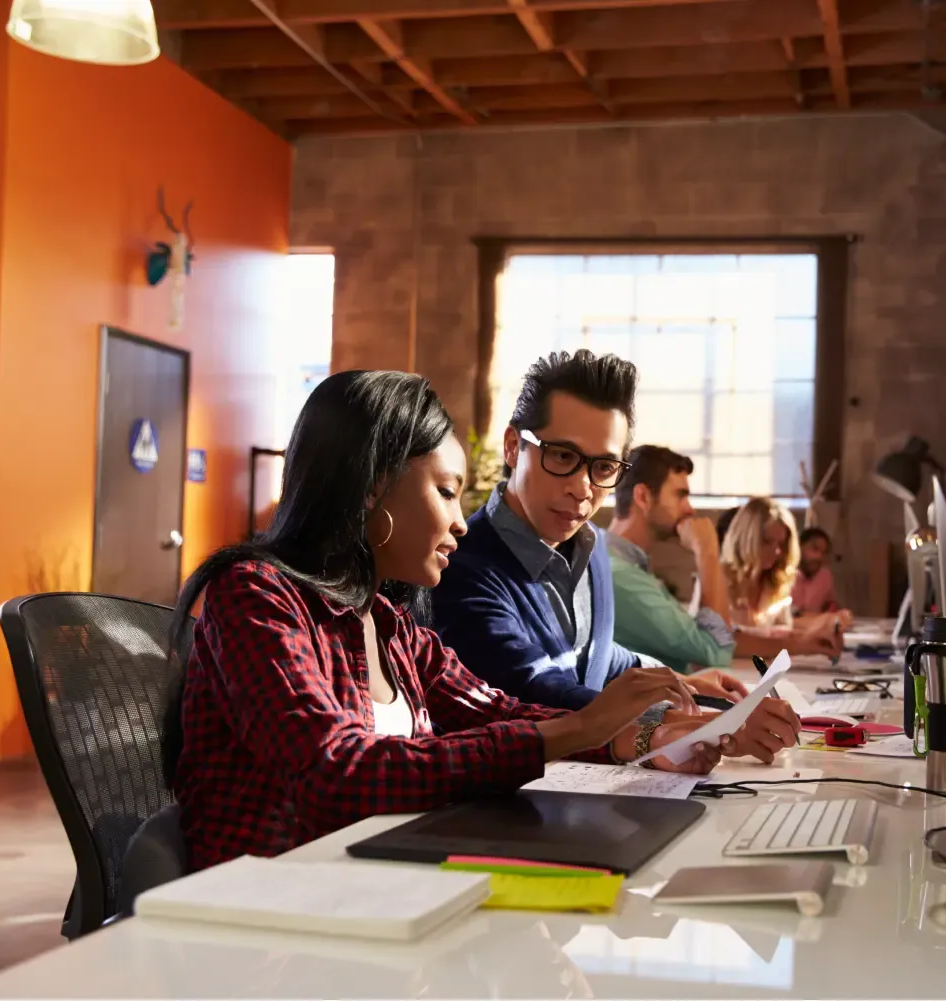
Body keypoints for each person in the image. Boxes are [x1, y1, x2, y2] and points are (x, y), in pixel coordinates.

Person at [163, 371, 758, 872]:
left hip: (379, 893)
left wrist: (640, 738)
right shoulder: (255, 597)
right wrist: (583, 729)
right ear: (374, 489)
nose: (461, 521)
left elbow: (497, 709)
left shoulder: (391, 626)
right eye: (447, 492)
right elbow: (337, 773)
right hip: (270, 925)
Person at [427, 350, 797, 760]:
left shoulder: (593, 547)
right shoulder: (461, 567)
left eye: (603, 467)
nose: (582, 488)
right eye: (563, 457)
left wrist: (672, 680)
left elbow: (593, 655)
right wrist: (699, 724)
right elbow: (531, 690)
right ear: (513, 447)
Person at [606, 445, 842, 672]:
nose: (690, 510)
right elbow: (717, 650)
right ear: (643, 497)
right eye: (681, 496)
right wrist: (707, 550)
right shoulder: (622, 576)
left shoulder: (632, 569)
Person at [722, 497, 849, 637]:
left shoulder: (774, 584)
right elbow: (722, 641)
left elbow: (785, 632)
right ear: (746, 539)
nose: (777, 551)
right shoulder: (718, 581)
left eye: (781, 544)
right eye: (767, 541)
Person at [791, 526, 840, 615]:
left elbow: (831, 604)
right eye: (815, 549)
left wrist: (832, 610)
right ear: (799, 547)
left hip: (817, 626)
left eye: (824, 552)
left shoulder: (825, 576)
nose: (819, 557)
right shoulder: (784, 575)